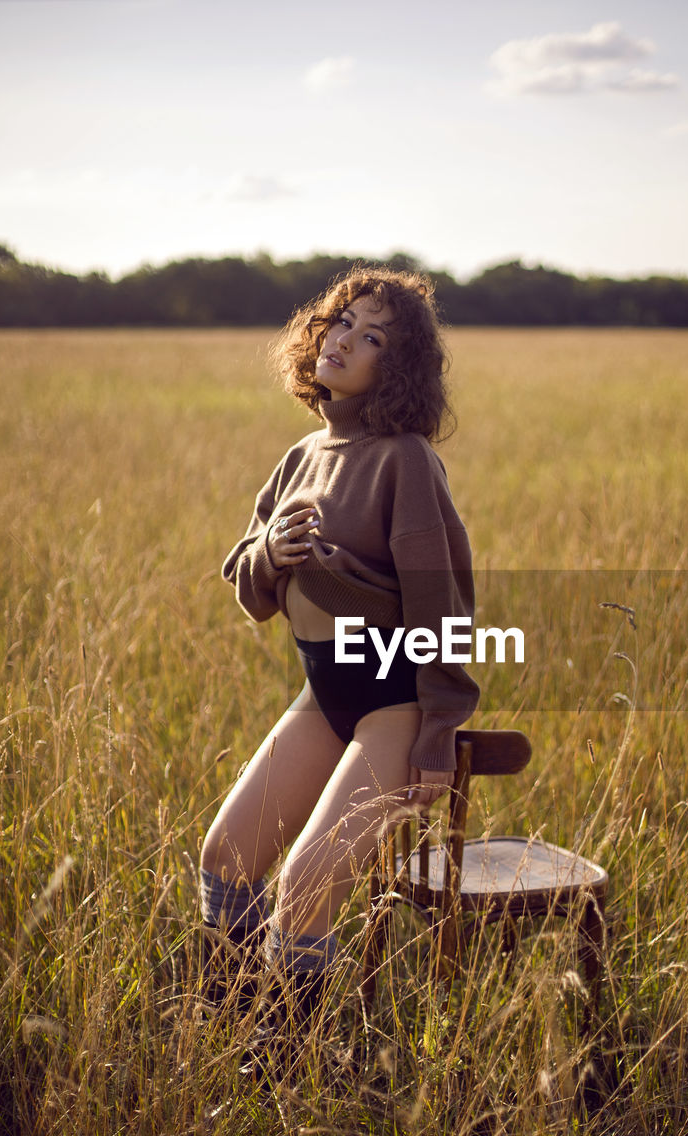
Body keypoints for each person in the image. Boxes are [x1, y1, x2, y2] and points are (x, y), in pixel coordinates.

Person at [198, 266, 479, 1029]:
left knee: (309, 880)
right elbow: (251, 591)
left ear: (396, 368)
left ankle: (283, 1063)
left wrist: (438, 733)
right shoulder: (300, 456)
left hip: (392, 700)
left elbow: (441, 602)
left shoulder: (406, 459)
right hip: (321, 694)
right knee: (225, 857)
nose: (346, 340)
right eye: (341, 323)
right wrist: (272, 552)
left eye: (373, 337)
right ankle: (228, 1028)